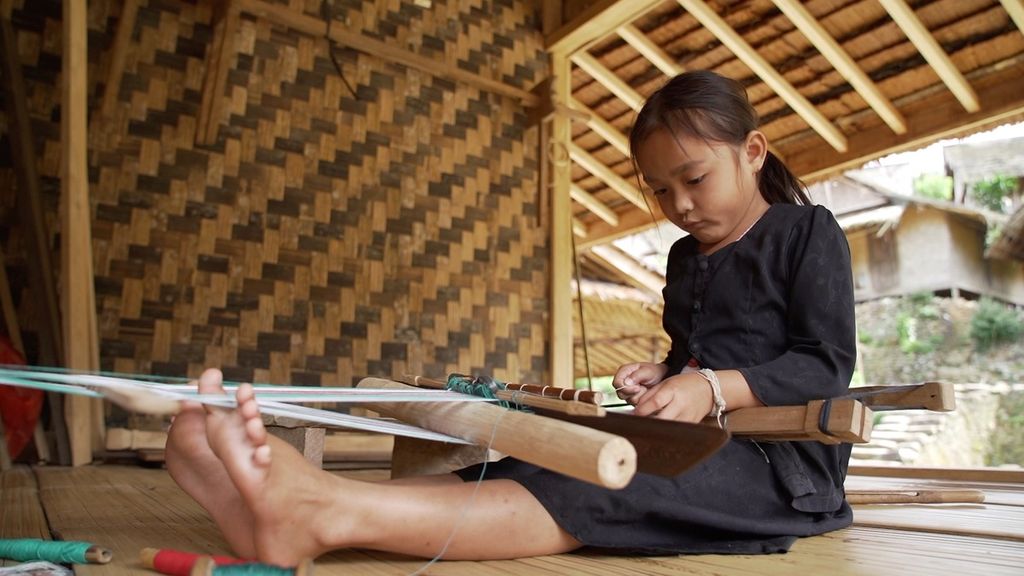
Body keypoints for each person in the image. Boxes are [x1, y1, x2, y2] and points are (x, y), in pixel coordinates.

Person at [164, 69, 856, 566]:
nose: (678, 204)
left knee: (606, 480)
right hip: (693, 443)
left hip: (781, 471)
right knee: (535, 466)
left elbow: (824, 363)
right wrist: (667, 375)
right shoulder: (683, 259)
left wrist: (710, 387)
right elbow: (696, 356)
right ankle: (317, 503)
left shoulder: (806, 233)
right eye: (660, 189)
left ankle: (322, 512)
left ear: (753, 152)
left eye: (695, 179)